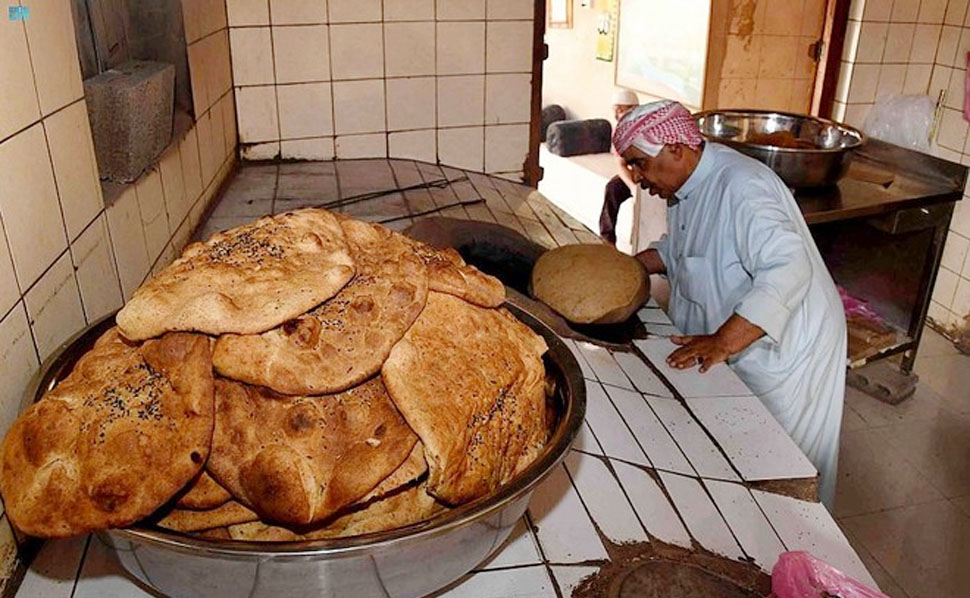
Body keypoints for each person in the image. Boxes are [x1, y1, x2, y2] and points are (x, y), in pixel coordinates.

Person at [614, 100, 846, 509]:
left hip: (787, 346)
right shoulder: (688, 186)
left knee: (783, 466)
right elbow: (683, 250)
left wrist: (724, 340)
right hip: (741, 337)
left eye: (640, 164)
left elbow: (789, 267)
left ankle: (803, 549)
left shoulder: (742, 187)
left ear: (676, 150)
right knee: (737, 455)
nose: (638, 178)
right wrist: (628, 268)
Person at [599, 89, 640, 245]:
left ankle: (638, 242)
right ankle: (607, 240)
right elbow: (620, 164)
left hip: (652, 173)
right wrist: (633, 187)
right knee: (613, 188)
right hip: (634, 174)